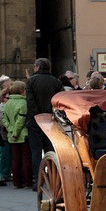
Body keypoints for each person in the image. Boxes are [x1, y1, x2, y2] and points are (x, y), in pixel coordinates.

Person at [26, 58, 64, 190]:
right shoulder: (56, 81)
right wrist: (52, 114)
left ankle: (37, 180)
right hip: (51, 120)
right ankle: (52, 178)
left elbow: (30, 102)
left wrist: (36, 116)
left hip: (35, 121)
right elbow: (60, 100)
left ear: (37, 66)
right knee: (51, 150)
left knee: (36, 152)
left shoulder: (31, 81)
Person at [1, 81, 32, 188]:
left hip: (12, 136)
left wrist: (10, 130)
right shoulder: (23, 103)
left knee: (15, 159)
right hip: (23, 135)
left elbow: (4, 119)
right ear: (22, 91)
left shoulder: (7, 103)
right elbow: (21, 121)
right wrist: (15, 132)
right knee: (26, 159)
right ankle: (27, 182)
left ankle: (16, 182)